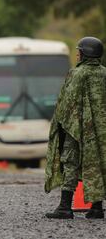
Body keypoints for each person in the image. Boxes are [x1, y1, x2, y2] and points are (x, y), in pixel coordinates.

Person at [45, 36, 106, 219]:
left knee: (70, 162)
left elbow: (66, 104)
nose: (77, 54)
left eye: (79, 51)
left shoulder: (77, 74)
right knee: (96, 164)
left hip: (77, 129)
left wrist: (61, 126)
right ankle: (96, 208)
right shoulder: (104, 73)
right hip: (101, 132)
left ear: (85, 53)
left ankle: (65, 207)